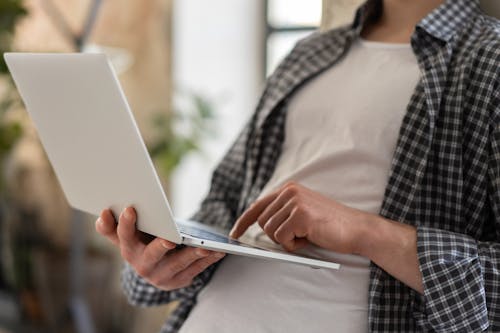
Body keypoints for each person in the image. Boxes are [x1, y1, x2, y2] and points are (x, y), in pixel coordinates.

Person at [96, 0, 500, 332]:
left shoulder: (489, 62)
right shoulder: (308, 54)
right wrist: (163, 258)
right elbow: (221, 206)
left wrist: (366, 231)